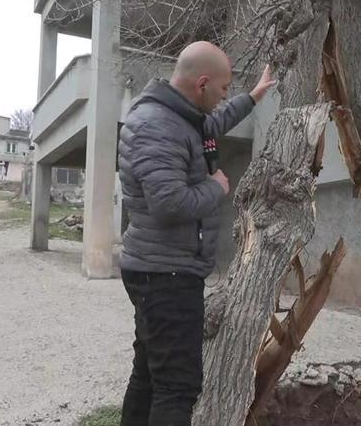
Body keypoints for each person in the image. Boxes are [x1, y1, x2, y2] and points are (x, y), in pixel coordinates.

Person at [116, 41, 276, 426]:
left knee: (150, 376)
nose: (225, 97)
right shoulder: (158, 126)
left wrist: (251, 98)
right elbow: (169, 204)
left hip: (161, 268)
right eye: (223, 89)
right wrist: (217, 187)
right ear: (201, 83)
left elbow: (213, 123)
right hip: (165, 275)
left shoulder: (181, 115)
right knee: (178, 386)